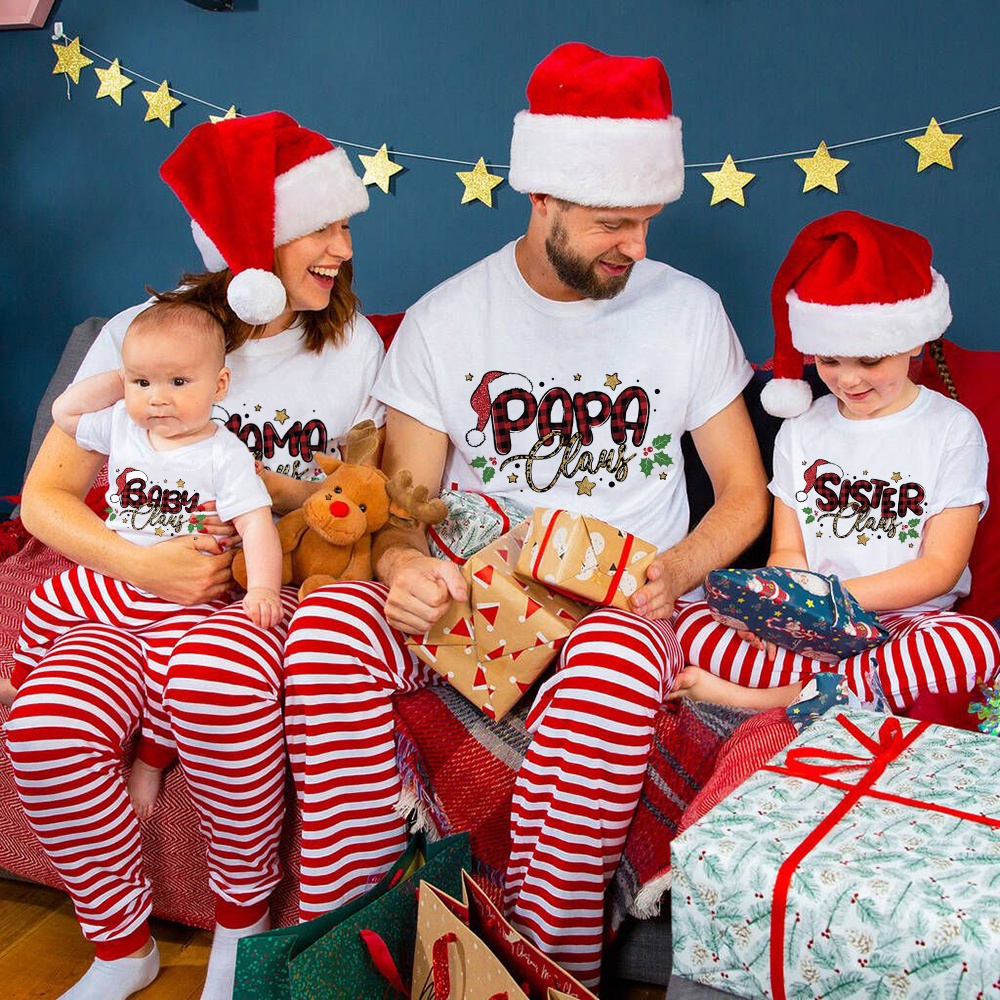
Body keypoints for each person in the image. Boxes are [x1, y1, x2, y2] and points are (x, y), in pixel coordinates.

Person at [282, 42, 769, 989]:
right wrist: (403, 574)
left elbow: (744, 495)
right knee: (329, 624)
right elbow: (404, 509)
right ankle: (341, 951)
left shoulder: (691, 311)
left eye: (646, 222)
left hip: (626, 608)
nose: (635, 246)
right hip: (479, 598)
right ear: (540, 199)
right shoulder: (445, 319)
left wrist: (673, 570)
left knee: (615, 657)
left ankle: (547, 970)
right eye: (611, 223)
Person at [5, 110, 383, 1000]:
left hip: (245, 598)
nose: (342, 248)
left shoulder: (353, 346)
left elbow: (350, 501)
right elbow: (44, 498)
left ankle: (238, 931)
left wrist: (274, 501)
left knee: (223, 693)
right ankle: (119, 944)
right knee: (44, 729)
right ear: (253, 246)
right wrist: (142, 567)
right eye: (320, 227)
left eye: (343, 227)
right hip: (124, 589)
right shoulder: (148, 335)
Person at [671, 210, 1000, 714]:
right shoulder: (802, 429)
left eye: (869, 360)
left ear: (915, 340)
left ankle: (766, 701)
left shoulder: (952, 429)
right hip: (809, 628)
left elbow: (939, 569)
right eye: (828, 360)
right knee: (690, 620)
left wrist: (828, 600)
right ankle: (837, 690)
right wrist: (777, 612)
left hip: (903, 626)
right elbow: (787, 552)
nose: (847, 380)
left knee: (971, 644)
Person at [3, 299, 283, 820]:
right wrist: (123, 379)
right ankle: (20, 683)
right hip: (117, 574)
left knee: (167, 679)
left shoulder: (224, 454)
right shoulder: (124, 427)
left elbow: (256, 524)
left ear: (219, 386)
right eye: (144, 385)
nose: (158, 400)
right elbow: (66, 413)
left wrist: (264, 590)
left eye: (178, 383)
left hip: (183, 595)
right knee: (46, 600)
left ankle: (151, 763)